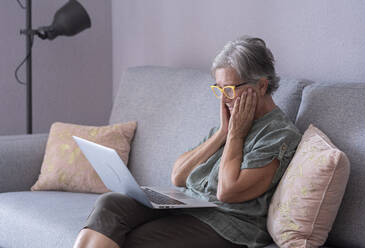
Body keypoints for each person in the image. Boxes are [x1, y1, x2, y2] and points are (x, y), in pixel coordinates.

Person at [73, 36, 302, 248]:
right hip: (190, 207)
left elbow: (227, 192)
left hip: (229, 225)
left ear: (261, 86)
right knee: (110, 204)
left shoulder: (278, 135)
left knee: (132, 239)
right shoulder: (230, 123)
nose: (224, 99)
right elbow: (178, 176)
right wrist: (222, 132)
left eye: (230, 89)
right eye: (219, 89)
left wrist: (235, 136)